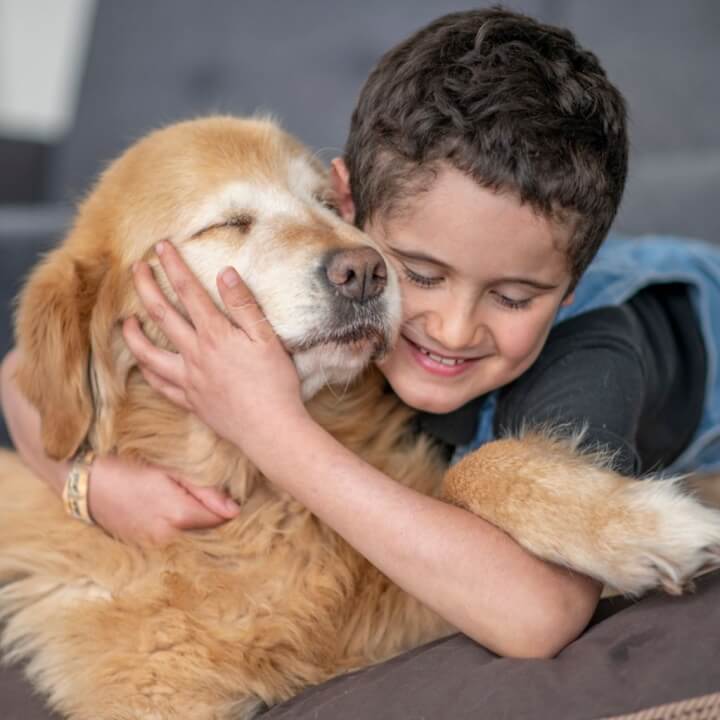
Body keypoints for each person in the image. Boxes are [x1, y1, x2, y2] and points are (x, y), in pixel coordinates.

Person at [2, 8, 718, 658]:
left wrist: (270, 428)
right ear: (351, 210)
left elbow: (538, 612)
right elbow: (21, 375)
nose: (453, 326)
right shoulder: (361, 309)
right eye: (418, 273)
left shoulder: (590, 354)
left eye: (511, 295)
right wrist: (84, 483)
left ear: (560, 291)